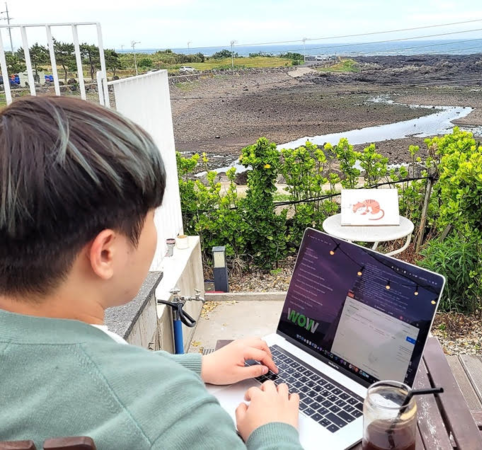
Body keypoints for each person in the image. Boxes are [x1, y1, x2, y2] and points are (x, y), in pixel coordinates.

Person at [0, 96, 302, 450]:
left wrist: (195, 366)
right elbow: (124, 395)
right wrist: (274, 430)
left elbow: (60, 375)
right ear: (106, 253)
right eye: (151, 218)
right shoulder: (177, 418)